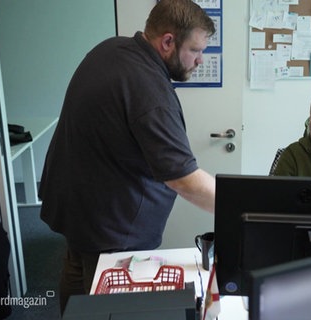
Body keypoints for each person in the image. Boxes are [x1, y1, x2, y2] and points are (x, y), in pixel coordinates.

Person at [38, 0, 216, 312]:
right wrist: (238, 206)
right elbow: (184, 179)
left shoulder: (112, 49)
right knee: (109, 307)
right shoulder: (149, 90)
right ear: (168, 41)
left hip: (77, 205)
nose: (200, 60)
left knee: (77, 274)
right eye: (195, 50)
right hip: (111, 227)